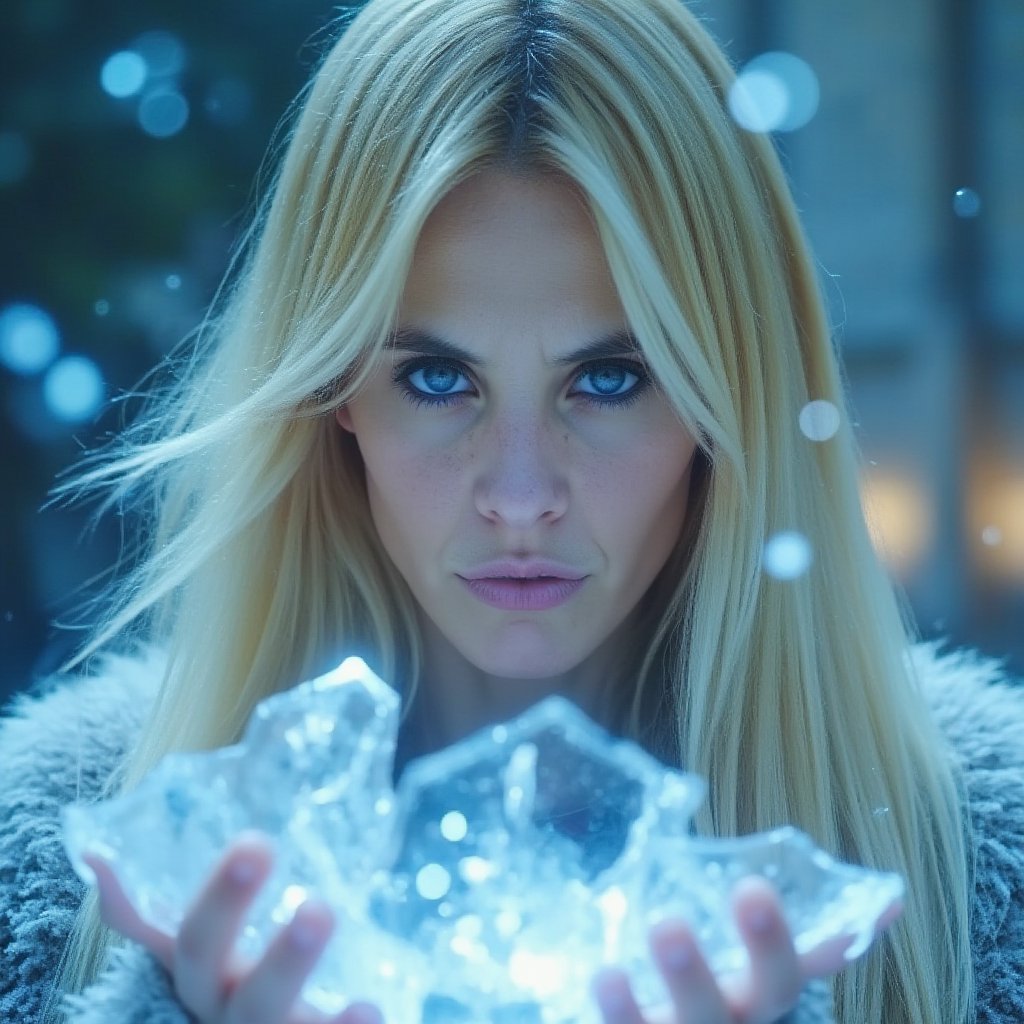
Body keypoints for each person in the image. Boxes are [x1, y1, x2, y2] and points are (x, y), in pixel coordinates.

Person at [1, 0, 1023, 1021]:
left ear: (729, 400)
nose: (521, 496)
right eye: (439, 379)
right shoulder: (47, 864)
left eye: (612, 379)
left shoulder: (985, 871)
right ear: (333, 392)